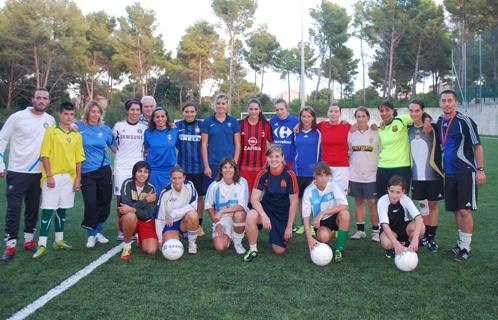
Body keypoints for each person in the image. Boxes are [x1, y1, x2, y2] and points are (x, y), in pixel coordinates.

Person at [0, 88, 56, 261]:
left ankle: (29, 240)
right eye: (38, 97)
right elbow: (2, 139)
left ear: (48, 101)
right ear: (32, 99)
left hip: (39, 173)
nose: (41, 101)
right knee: (14, 209)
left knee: (33, 207)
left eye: (44, 98)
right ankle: (10, 245)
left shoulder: (50, 120)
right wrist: (1, 163)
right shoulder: (18, 117)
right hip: (18, 171)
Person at [436, 90, 486, 261]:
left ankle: (466, 247)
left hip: (465, 172)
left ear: (455, 103)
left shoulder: (465, 121)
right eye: (444, 100)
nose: (447, 103)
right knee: (456, 210)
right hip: (449, 173)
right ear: (440, 103)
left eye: (450, 100)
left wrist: (480, 170)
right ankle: (460, 244)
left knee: (465, 210)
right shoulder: (440, 122)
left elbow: (477, 146)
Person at [32, 102, 85, 259]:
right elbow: (45, 155)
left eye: (71, 114)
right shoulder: (51, 131)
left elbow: (79, 159)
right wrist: (49, 175)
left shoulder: (76, 135)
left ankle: (58, 241)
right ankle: (42, 244)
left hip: (69, 178)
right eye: (66, 114)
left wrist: (78, 179)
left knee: (62, 208)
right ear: (59, 115)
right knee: (48, 209)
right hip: (53, 176)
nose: (69, 117)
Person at [244, 145, 298, 262]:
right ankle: (253, 249)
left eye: (277, 156)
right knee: (251, 215)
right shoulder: (263, 173)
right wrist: (264, 216)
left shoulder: (289, 174)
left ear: (282, 157)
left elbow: (294, 202)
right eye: (270, 156)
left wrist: (289, 226)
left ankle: (277, 231)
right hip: (267, 208)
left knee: (279, 250)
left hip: (282, 213)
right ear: (267, 158)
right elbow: (254, 199)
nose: (274, 159)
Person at [77, 101, 116, 248]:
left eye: (98, 112)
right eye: (92, 111)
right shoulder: (79, 127)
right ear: (87, 112)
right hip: (87, 172)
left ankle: (98, 231)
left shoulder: (105, 129)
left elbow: (114, 147)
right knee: (91, 202)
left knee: (104, 201)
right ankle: (91, 235)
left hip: (104, 170)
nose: (95, 114)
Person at [407, 100, 444, 252]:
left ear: (423, 110)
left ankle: (431, 238)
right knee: (423, 206)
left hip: (433, 174)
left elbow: (440, 120)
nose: (414, 114)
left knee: (433, 205)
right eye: (411, 111)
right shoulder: (407, 129)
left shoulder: (433, 127)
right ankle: (425, 236)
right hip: (416, 176)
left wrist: (428, 119)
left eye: (417, 110)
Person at [112, 99, 147, 240]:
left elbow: (148, 145)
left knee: (137, 197)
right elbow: (110, 140)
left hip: (138, 167)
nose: (135, 112)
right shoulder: (119, 126)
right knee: (121, 197)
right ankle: (122, 229)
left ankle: (135, 227)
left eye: (137, 110)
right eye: (132, 109)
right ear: (127, 111)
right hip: (121, 166)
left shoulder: (144, 128)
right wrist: (114, 149)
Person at [302, 162, 350, 263]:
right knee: (323, 238)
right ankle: (331, 233)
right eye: (320, 175)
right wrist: (309, 238)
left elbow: (345, 205)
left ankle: (338, 250)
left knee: (345, 214)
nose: (323, 178)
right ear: (315, 176)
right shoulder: (309, 191)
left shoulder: (333, 185)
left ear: (329, 175)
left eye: (326, 175)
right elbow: (305, 217)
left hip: (335, 216)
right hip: (321, 222)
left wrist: (323, 212)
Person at [348, 107, 381, 242]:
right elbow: (348, 151)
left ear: (368, 117)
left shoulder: (375, 131)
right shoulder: (351, 133)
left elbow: (381, 151)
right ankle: (360, 231)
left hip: (371, 174)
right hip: (354, 174)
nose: (361, 119)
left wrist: (377, 126)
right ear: (355, 118)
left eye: (363, 116)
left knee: (373, 203)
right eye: (358, 116)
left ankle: (376, 232)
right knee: (358, 202)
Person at [205, 158, 248, 254]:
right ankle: (232, 234)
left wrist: (222, 211)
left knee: (239, 215)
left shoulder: (242, 182)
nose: (228, 170)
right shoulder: (214, 185)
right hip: (223, 219)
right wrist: (217, 223)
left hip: (239, 215)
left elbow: (242, 206)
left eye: (230, 167)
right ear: (220, 170)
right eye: (225, 167)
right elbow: (208, 205)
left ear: (235, 169)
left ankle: (237, 243)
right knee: (220, 247)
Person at [201, 93, 241, 194]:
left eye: (223, 103)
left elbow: (238, 145)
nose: (220, 106)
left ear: (227, 105)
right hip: (213, 163)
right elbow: (204, 145)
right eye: (218, 103)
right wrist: (206, 166)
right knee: (213, 193)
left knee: (229, 192)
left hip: (228, 164)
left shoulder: (233, 121)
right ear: (214, 105)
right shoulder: (207, 122)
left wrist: (234, 164)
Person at [118, 161, 158, 261]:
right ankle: (127, 246)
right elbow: (125, 206)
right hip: (129, 220)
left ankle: (141, 238)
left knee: (151, 251)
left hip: (145, 222)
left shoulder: (151, 188)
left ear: (149, 174)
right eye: (139, 171)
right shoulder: (127, 183)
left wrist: (132, 208)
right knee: (130, 216)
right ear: (134, 172)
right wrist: (145, 201)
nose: (142, 174)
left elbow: (147, 214)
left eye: (145, 172)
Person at [155, 165, 199, 255]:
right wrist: (159, 240)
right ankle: (175, 234)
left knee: (193, 214)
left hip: (184, 220)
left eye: (180, 178)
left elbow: (193, 206)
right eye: (174, 178)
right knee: (171, 246)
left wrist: (174, 214)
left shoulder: (189, 186)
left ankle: (192, 243)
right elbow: (159, 218)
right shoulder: (165, 193)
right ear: (170, 178)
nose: (177, 181)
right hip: (170, 223)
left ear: (184, 178)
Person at [176, 102, 205, 235]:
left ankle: (198, 225)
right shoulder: (177, 126)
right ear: (183, 113)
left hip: (199, 168)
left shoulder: (201, 125)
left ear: (196, 112)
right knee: (183, 197)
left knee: (199, 197)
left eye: (192, 111)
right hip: (183, 169)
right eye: (186, 111)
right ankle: (183, 224)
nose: (189, 114)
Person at [378, 175, 425, 258]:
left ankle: (408, 246)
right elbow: (384, 225)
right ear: (388, 189)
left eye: (398, 192)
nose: (394, 195)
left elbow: (419, 218)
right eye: (391, 191)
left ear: (403, 191)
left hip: (403, 228)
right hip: (389, 229)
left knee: (421, 227)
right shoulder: (382, 201)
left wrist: (415, 240)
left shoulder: (405, 199)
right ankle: (391, 249)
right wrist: (395, 243)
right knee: (387, 243)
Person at [376, 101, 413, 198]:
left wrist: (426, 120)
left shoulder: (401, 120)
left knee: (401, 199)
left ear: (393, 111)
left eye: (387, 110)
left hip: (401, 167)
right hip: (382, 167)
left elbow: (418, 116)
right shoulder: (379, 127)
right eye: (381, 111)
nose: (384, 113)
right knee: (383, 199)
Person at [293, 107, 321, 235]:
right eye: (303, 116)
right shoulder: (296, 131)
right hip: (298, 171)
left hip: (312, 172)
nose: (306, 119)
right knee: (300, 199)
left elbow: (320, 152)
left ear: (313, 118)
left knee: (313, 199)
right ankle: (304, 225)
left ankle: (313, 225)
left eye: (309, 116)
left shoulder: (318, 133)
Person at [238, 98, 272, 193]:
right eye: (251, 109)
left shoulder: (266, 125)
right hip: (243, 168)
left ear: (260, 110)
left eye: (256, 109)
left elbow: (273, 143)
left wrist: (271, 159)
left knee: (258, 196)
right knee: (245, 196)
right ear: (247, 109)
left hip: (261, 167)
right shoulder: (240, 124)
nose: (253, 111)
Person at [317, 103, 352, 193]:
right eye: (331, 111)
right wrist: (298, 126)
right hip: (325, 166)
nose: (333, 113)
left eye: (336, 111)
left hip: (342, 167)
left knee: (341, 196)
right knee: (326, 196)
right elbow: (307, 126)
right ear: (327, 113)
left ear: (340, 113)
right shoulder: (322, 125)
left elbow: (360, 128)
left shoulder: (347, 126)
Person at [144, 107, 178, 194]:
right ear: (153, 119)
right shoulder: (148, 132)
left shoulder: (174, 130)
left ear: (166, 118)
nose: (160, 119)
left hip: (170, 171)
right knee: (155, 198)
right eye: (157, 117)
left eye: (163, 116)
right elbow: (146, 150)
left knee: (169, 198)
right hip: (154, 171)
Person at [269, 99, 299, 169]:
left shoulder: (295, 121)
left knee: (290, 179)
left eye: (282, 109)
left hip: (290, 159)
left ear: (286, 108)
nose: (280, 112)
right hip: (276, 160)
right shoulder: (272, 121)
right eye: (277, 110)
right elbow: (271, 140)